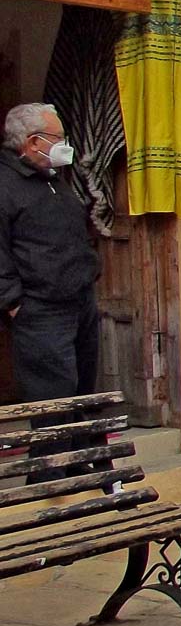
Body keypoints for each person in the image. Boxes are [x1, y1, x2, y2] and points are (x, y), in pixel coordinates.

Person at [0, 104, 101, 408]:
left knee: (83, 398)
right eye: (57, 138)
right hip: (41, 312)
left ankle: (82, 456)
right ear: (32, 142)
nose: (65, 145)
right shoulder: (6, 185)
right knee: (53, 403)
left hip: (80, 303)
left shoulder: (52, 178)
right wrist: (15, 303)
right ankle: (54, 456)